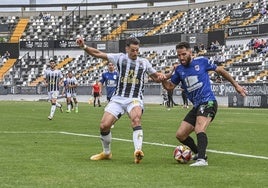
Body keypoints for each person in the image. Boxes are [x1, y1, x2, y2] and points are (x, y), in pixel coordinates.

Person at [76, 37, 165, 163]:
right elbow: (98, 53)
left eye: (137, 50)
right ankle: (106, 153)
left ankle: (138, 151)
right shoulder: (120, 58)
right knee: (104, 126)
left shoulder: (144, 62)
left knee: (136, 119)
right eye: (133, 50)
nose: (135, 53)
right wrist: (84, 47)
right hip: (118, 98)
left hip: (134, 98)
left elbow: (156, 77)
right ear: (127, 49)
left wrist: (163, 76)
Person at [162, 42, 247, 167]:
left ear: (190, 53)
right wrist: (162, 79)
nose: (181, 58)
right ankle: (199, 153)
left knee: (199, 128)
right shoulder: (179, 70)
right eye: (179, 55)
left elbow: (221, 71)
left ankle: (202, 160)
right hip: (197, 106)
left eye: (184, 54)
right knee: (181, 135)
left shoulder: (201, 61)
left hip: (208, 102)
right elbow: (169, 87)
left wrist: (237, 86)